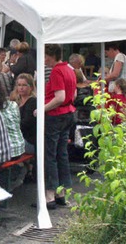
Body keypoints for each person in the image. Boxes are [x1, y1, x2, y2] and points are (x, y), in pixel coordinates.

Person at [42, 44, 76, 210]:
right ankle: (61, 193)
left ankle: (49, 195)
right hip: (68, 115)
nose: (44, 59)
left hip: (55, 116)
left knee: (50, 155)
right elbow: (73, 95)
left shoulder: (56, 71)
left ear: (52, 55)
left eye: (46, 56)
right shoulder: (70, 69)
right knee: (62, 154)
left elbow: (60, 97)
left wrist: (41, 109)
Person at [104, 43, 126, 107]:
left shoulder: (119, 56)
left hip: (124, 91)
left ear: (111, 49)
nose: (107, 55)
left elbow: (115, 74)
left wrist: (103, 79)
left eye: (106, 52)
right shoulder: (118, 57)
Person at [10, 73, 37, 153]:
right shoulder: (15, 101)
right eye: (19, 85)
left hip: (29, 141)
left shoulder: (33, 102)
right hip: (17, 137)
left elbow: (26, 123)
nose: (21, 88)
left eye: (24, 85)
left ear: (31, 87)